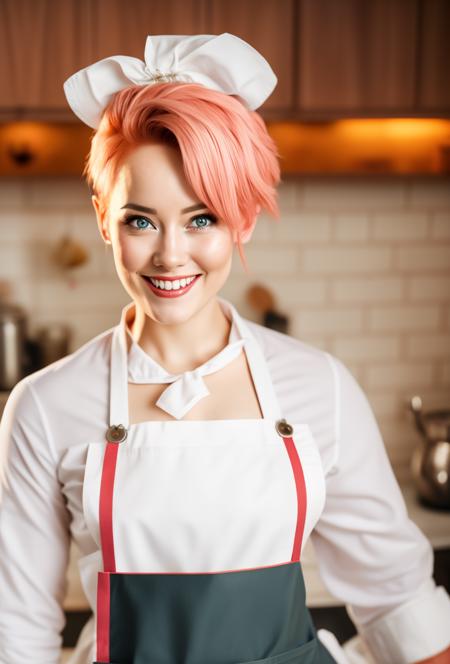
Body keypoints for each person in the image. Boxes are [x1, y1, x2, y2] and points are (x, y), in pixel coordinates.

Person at [0, 33, 449, 664]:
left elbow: (401, 603)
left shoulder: (319, 386)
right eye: (140, 219)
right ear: (103, 216)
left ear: (243, 218)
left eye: (202, 218)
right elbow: (16, 636)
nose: (170, 254)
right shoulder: (45, 406)